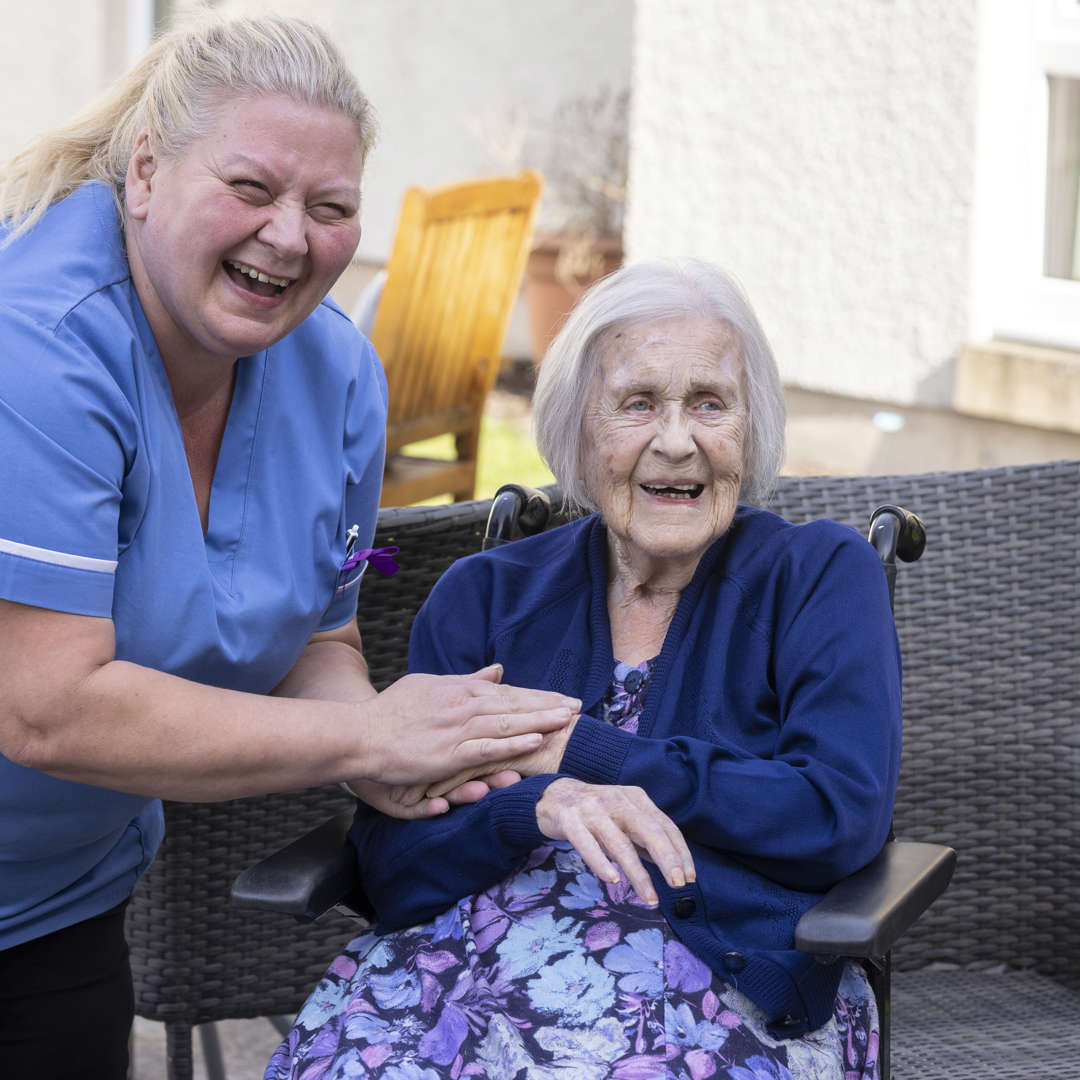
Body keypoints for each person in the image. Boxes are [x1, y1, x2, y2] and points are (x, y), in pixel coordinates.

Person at [0, 14, 576, 1079]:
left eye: (330, 208)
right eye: (251, 189)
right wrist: (366, 746)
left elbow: (324, 633)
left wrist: (402, 753)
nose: (288, 237)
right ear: (143, 173)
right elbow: (43, 704)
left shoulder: (340, 377)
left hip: (62, 899)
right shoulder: (33, 343)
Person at [270, 258, 901, 1080]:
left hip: (713, 998)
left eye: (709, 404)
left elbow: (836, 816)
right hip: (448, 984)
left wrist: (574, 748)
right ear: (578, 429)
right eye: (638, 404)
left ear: (751, 428)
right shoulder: (485, 596)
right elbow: (393, 869)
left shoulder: (819, 576)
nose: (676, 442)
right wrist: (533, 807)